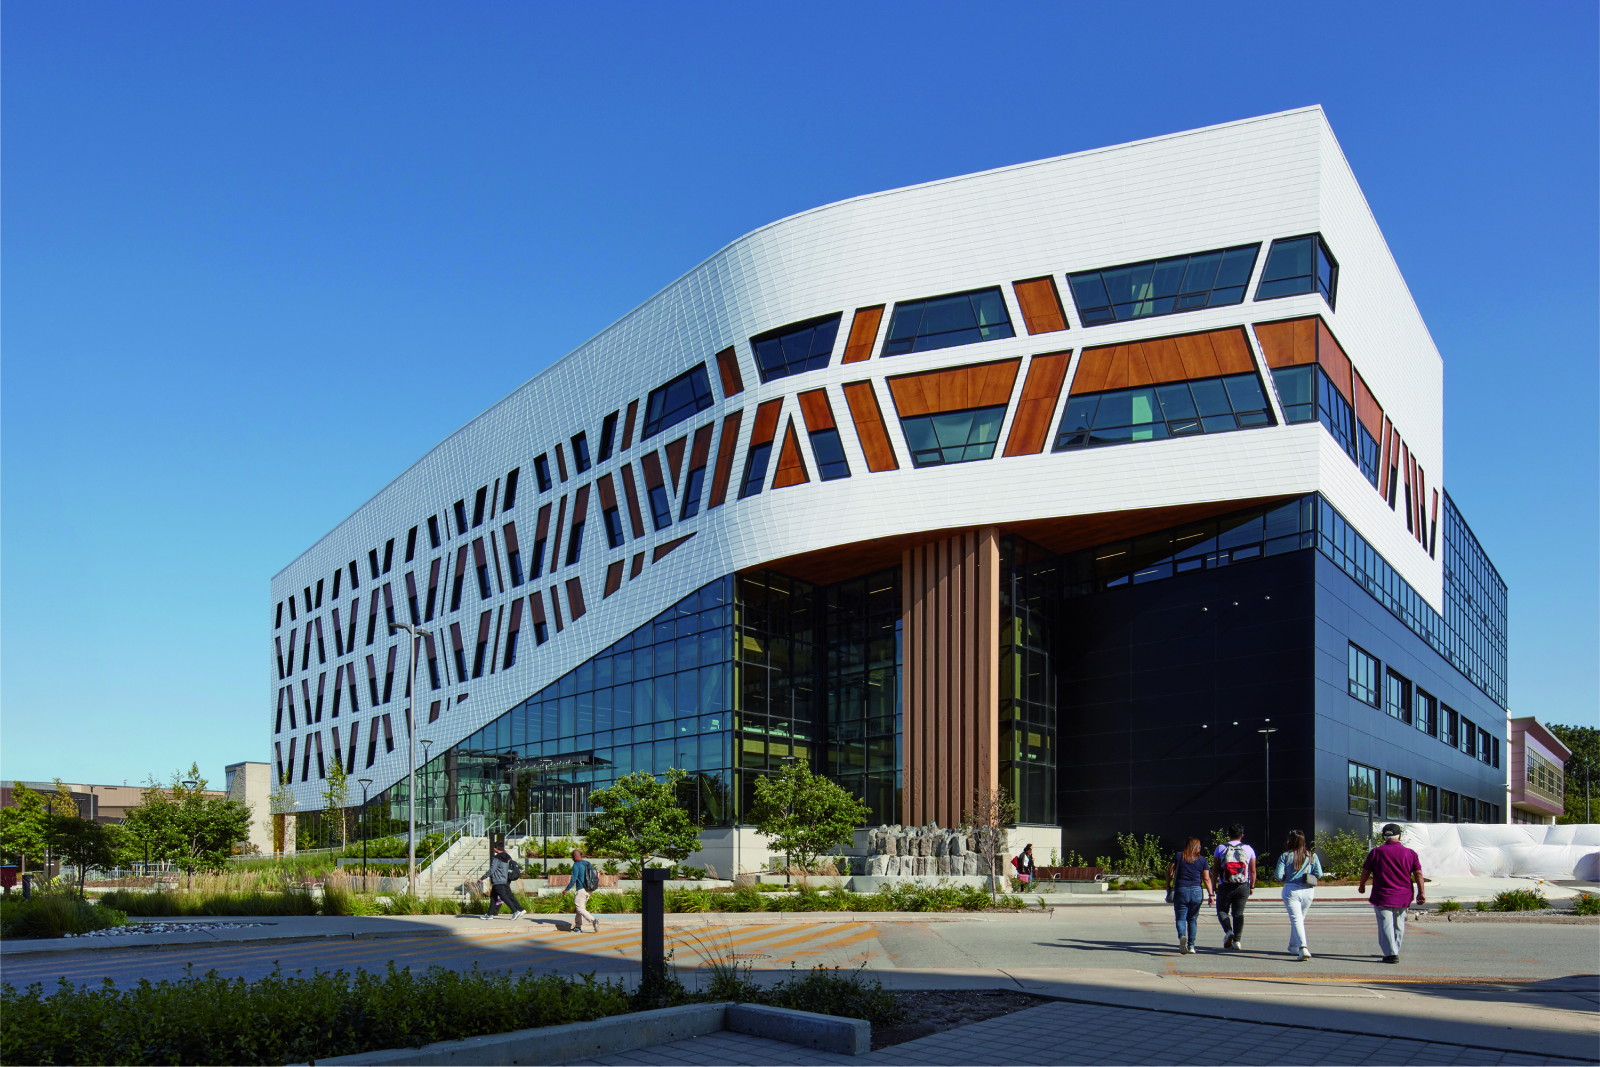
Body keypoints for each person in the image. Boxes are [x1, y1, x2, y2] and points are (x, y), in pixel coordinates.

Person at [1359, 823, 1425, 964]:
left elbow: (1366, 871)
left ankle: (1391, 954)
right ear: (1400, 836)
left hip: (1382, 895)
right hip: (1403, 895)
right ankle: (1394, 950)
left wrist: (1362, 885)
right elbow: (1418, 874)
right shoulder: (1410, 853)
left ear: (1383, 837)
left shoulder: (1376, 852)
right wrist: (1421, 893)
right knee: (1399, 924)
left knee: (1385, 925)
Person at [1275, 830, 1324, 961]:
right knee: (1299, 919)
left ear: (1290, 841)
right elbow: (1319, 874)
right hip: (1308, 890)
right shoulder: (1312, 855)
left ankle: (1303, 948)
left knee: (1296, 919)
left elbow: (1278, 876)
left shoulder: (1285, 856)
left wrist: (1287, 875)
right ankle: (1293, 946)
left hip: (1291, 889)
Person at [1211, 824, 1256, 949]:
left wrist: (1213, 886)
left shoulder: (1220, 848)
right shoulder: (1249, 849)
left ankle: (1228, 931)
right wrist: (1252, 886)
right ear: (1242, 836)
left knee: (1221, 911)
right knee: (1238, 914)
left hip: (1225, 885)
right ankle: (1237, 941)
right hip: (1243, 885)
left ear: (1228, 835)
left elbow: (1215, 869)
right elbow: (1252, 870)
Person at [1167, 837, 1213, 954]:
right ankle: (1191, 946)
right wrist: (1211, 894)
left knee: (1180, 917)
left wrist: (1168, 885)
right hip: (1196, 891)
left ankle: (1182, 936)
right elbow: (1206, 879)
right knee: (1192, 919)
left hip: (1181, 890)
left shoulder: (1178, 856)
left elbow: (1170, 872)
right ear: (1198, 847)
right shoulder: (1203, 860)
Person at [476, 844, 525, 920]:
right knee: (493, 898)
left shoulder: (496, 859)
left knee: (503, 897)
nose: (493, 848)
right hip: (504, 880)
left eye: (494, 847)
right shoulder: (506, 857)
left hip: (497, 880)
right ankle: (489, 914)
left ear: (497, 848)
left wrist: (482, 878)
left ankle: (515, 911)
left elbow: (492, 870)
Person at [561, 848, 599, 934]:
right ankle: (578, 927)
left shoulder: (576, 864)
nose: (572, 859)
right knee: (580, 908)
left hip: (581, 889)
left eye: (572, 857)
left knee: (579, 908)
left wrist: (566, 889)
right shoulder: (588, 863)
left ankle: (593, 920)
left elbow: (573, 879)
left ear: (574, 856)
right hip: (589, 889)